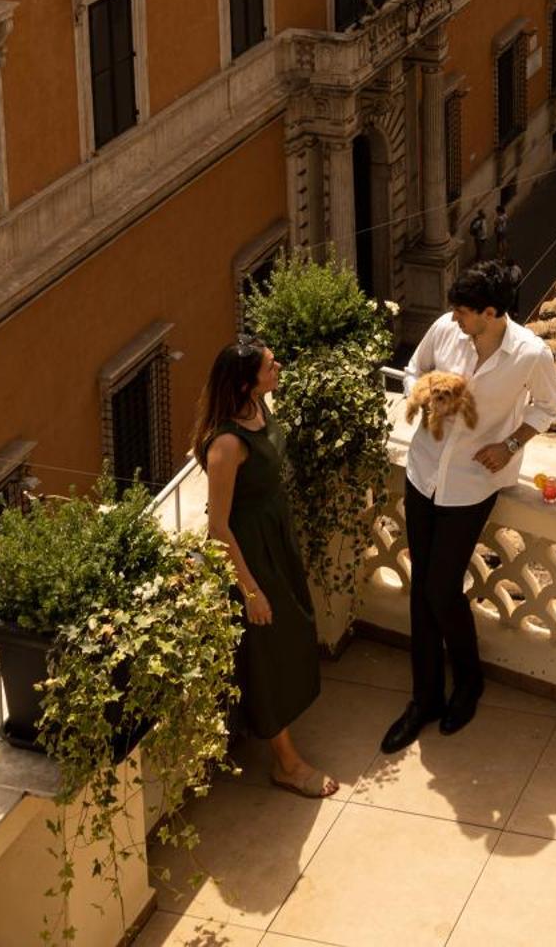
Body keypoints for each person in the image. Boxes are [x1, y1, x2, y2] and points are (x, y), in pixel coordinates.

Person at [381, 262, 556, 754]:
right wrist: (423, 395)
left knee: (441, 586)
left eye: (464, 311)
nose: (454, 317)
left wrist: (509, 445)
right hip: (423, 471)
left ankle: (469, 682)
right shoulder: (445, 329)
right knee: (425, 588)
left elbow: (548, 407)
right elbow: (414, 371)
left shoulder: (529, 354)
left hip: (472, 484)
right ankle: (424, 699)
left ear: (490, 313)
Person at [194, 338, 339, 797]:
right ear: (244, 383)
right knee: (266, 652)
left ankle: (285, 742)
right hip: (251, 552)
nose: (278, 368)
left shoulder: (258, 405)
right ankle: (287, 764)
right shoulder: (227, 444)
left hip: (276, 535)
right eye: (270, 366)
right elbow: (218, 526)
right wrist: (250, 589)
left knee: (292, 632)